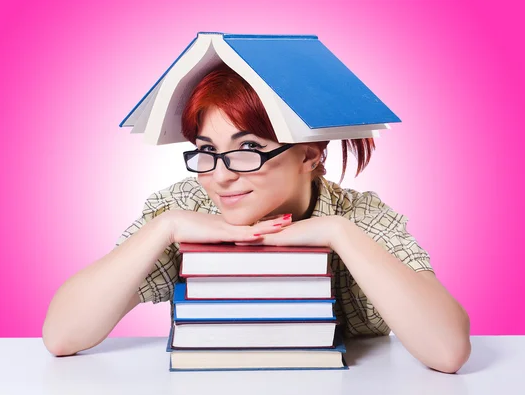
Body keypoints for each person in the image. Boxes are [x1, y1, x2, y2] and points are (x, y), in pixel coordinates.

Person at [42, 63, 471, 373]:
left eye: (247, 149)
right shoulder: (185, 206)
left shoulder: (359, 218)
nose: (221, 176)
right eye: (207, 151)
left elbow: (448, 351)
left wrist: (335, 232)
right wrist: (166, 227)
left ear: (308, 154)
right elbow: (63, 335)